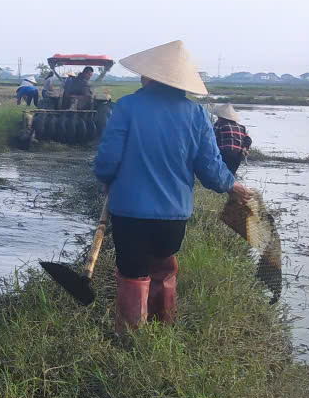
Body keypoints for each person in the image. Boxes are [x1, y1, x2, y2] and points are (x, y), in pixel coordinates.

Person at [93, 40, 252, 334]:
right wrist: (232, 186)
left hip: (130, 211)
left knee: (132, 271)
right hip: (173, 215)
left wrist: (105, 177)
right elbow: (211, 170)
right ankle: (161, 328)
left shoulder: (128, 106)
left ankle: (130, 335)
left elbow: (107, 159)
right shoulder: (197, 115)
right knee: (163, 267)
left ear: (150, 77)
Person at [212, 103, 252, 174]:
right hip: (238, 155)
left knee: (220, 174)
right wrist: (245, 147)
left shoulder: (219, 124)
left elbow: (212, 139)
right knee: (231, 174)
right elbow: (248, 139)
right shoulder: (241, 127)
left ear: (221, 117)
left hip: (224, 153)